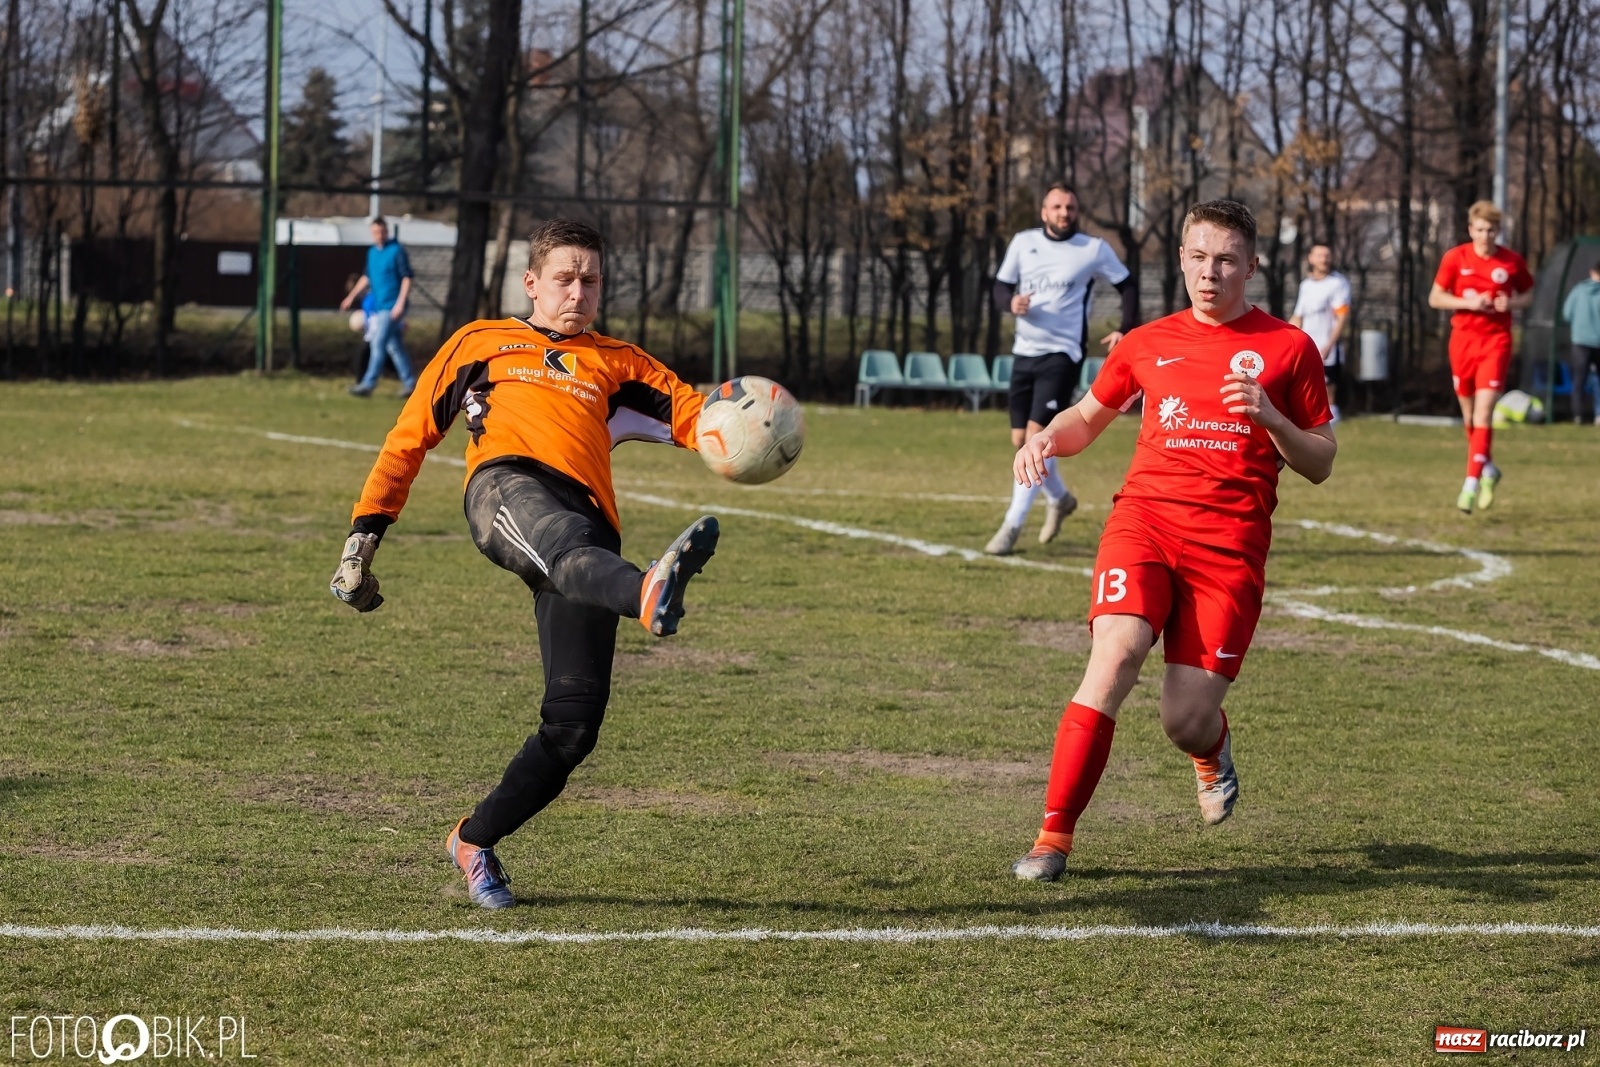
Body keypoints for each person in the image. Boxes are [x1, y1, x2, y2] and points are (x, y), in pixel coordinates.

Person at [329, 218, 720, 910]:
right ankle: (648, 589)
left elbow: (696, 415)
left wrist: (746, 413)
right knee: (569, 551)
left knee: (573, 723)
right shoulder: (480, 343)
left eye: (591, 279)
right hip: (505, 490)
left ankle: (473, 839)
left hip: (585, 527)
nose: (579, 291)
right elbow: (409, 437)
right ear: (532, 282)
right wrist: (364, 536)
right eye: (565, 278)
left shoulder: (621, 362)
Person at [1008, 199, 1335, 882]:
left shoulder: (1288, 348)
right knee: (1115, 654)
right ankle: (1052, 838)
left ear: (1251, 264)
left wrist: (1273, 416)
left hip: (1229, 551)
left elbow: (1321, 460)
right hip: (1145, 525)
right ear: (1181, 258)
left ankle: (1209, 748)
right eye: (1197, 257)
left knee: (1183, 718)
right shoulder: (1145, 342)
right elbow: (1086, 417)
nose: (1209, 272)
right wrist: (1043, 438)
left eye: (1225, 260)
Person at [985, 182, 1138, 556]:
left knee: (1038, 438)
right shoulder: (1023, 243)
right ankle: (1061, 498)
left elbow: (1128, 285)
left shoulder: (1092, 249)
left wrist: (1125, 328)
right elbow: (1000, 287)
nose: (1064, 213)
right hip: (1025, 352)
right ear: (1044, 211)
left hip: (1063, 353)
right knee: (1021, 441)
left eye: (1070, 207)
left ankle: (1011, 527)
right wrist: (1012, 303)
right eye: (1057, 206)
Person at [1427, 201, 1534, 513]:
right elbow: (1435, 297)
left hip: (1496, 342)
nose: (1486, 235)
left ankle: (1470, 485)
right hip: (1462, 342)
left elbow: (1528, 295)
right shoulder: (1455, 258)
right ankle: (1488, 469)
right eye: (1480, 229)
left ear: (1498, 231)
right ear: (1470, 229)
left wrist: (1510, 304)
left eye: (1491, 230)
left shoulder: (1511, 261)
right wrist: (1468, 303)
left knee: (1483, 414)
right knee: (1469, 417)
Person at [340, 217, 419, 399]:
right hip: (380, 305)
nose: (379, 235)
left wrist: (400, 303)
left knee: (378, 342)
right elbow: (366, 277)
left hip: (392, 306)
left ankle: (368, 384)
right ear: (372, 233)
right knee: (394, 347)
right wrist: (351, 297)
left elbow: (407, 278)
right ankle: (410, 384)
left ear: (387, 231)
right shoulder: (372, 253)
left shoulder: (396, 251)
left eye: (382, 231)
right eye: (376, 232)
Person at [1288, 243, 1351, 423]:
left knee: (1327, 390)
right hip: (1307, 347)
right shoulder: (1306, 285)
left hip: (1327, 348)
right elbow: (1298, 316)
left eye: (1327, 255)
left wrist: (1329, 345)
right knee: (1303, 388)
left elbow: (1342, 317)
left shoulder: (1338, 283)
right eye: (1320, 255)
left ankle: (1330, 432)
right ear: (1311, 258)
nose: (1324, 259)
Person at [1561, 261, 1600, 425]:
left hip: (1580, 341)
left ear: (1592, 271)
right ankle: (1599, 415)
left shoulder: (1578, 290)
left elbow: (1567, 314)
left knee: (1579, 379)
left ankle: (1578, 415)